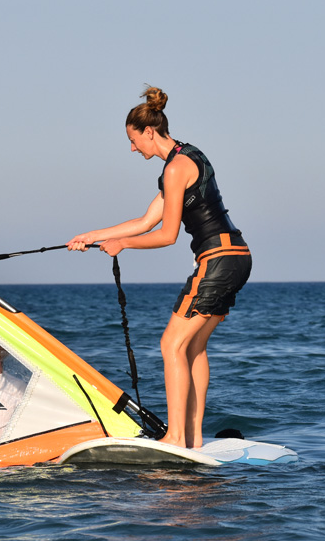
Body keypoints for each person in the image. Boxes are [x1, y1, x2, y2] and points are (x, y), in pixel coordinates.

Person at [67, 85, 251, 449]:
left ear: (149, 131)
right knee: (193, 347)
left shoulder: (174, 169)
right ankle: (193, 440)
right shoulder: (188, 156)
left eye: (134, 141)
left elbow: (167, 234)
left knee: (171, 345)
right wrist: (93, 235)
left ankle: (176, 436)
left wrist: (122, 245)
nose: (133, 148)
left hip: (217, 260)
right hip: (235, 257)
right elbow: (146, 220)